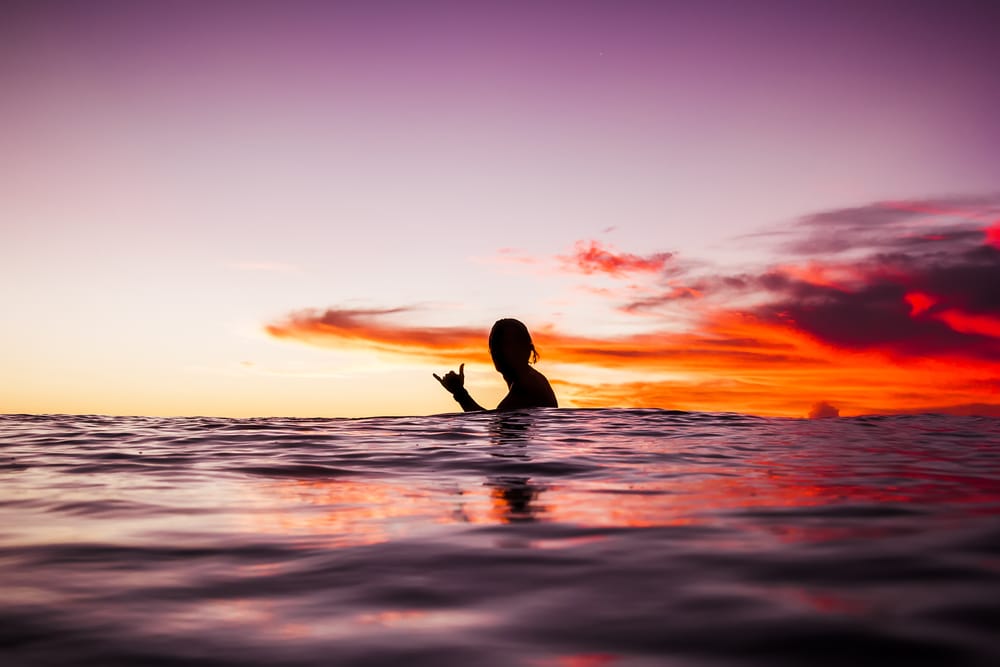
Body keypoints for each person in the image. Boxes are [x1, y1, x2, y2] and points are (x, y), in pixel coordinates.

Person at [434, 318, 558, 412]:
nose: (498, 351)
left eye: (507, 344)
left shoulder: (528, 385)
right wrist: (460, 392)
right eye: (494, 344)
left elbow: (491, 424)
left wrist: (460, 394)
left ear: (526, 350)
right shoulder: (527, 380)